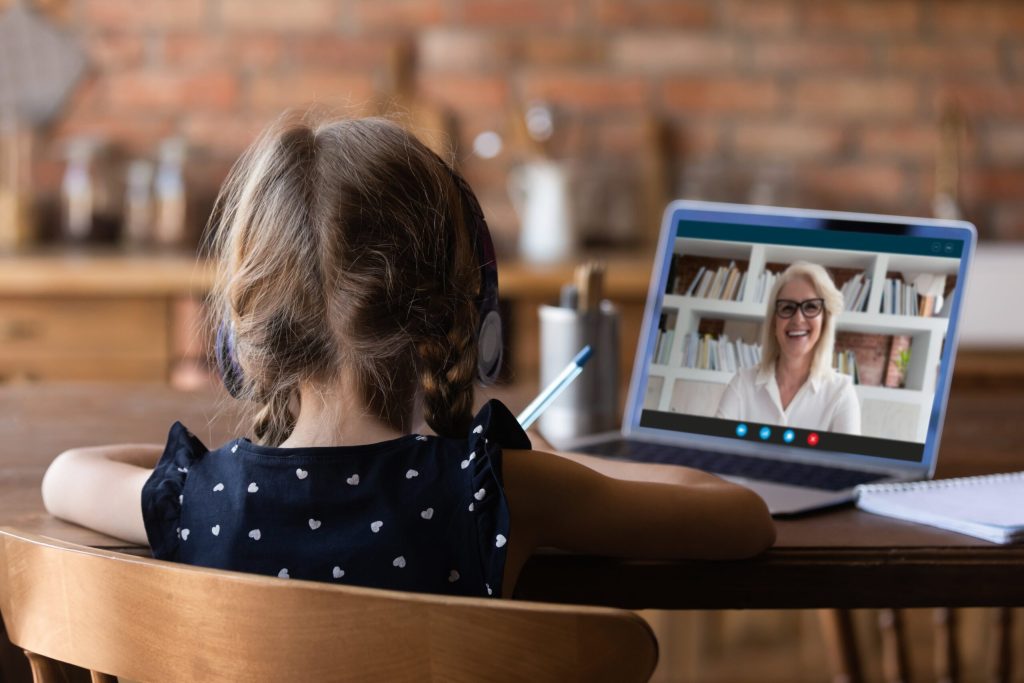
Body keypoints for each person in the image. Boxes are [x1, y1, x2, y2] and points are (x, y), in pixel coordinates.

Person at [42, 115, 774, 599]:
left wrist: (213, 460)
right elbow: (739, 517)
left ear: (244, 336)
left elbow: (64, 477)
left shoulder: (199, 500)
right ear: (466, 312)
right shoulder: (502, 490)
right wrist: (556, 457)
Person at [715, 261, 861, 435]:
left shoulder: (841, 393)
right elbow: (711, 451)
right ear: (774, 322)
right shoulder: (742, 383)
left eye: (811, 307)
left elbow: (844, 462)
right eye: (787, 307)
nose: (798, 319)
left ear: (825, 321)